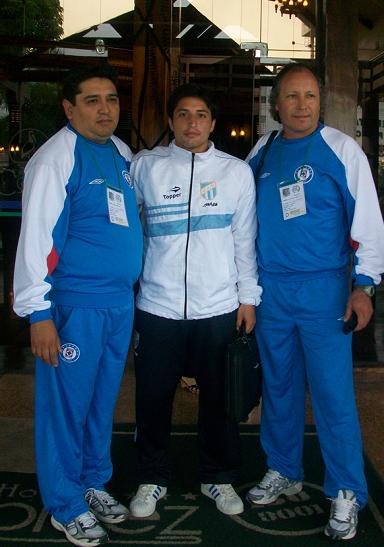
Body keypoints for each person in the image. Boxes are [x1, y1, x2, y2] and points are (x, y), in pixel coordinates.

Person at [246, 63, 384, 541]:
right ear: (275, 105)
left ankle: (346, 490)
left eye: (309, 95)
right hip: (271, 293)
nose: (301, 105)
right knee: (279, 389)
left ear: (320, 101)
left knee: (332, 395)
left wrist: (363, 286)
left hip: (325, 292)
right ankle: (283, 468)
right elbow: (241, 224)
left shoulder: (341, 150)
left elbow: (367, 221)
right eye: (291, 96)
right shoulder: (261, 153)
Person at [13, 63, 143, 547]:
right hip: (73, 307)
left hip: (116, 305)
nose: (105, 108)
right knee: (65, 408)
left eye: (111, 98)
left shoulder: (121, 153)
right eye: (92, 100)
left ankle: (92, 481)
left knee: (100, 403)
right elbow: (36, 244)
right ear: (69, 108)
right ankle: (64, 502)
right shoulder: (55, 159)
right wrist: (39, 314)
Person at [129, 83, 261, 518]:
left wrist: (248, 298)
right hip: (157, 307)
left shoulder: (235, 173)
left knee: (220, 400)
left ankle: (218, 477)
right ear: (170, 122)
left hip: (219, 307)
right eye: (183, 114)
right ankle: (151, 477)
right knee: (152, 397)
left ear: (213, 123)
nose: (191, 122)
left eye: (201, 114)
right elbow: (128, 233)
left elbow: (245, 240)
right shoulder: (144, 167)